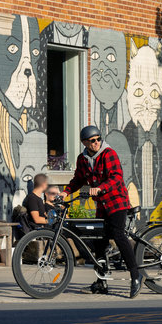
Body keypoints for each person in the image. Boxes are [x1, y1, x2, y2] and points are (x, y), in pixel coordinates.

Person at [60, 125, 142, 299]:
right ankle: (101, 282)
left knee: (119, 236)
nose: (96, 142)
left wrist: (100, 188)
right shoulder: (82, 159)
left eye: (98, 139)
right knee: (98, 240)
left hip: (117, 201)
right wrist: (65, 191)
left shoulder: (108, 154)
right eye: (92, 140)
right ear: (84, 142)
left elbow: (117, 176)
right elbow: (78, 179)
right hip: (102, 205)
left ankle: (136, 276)